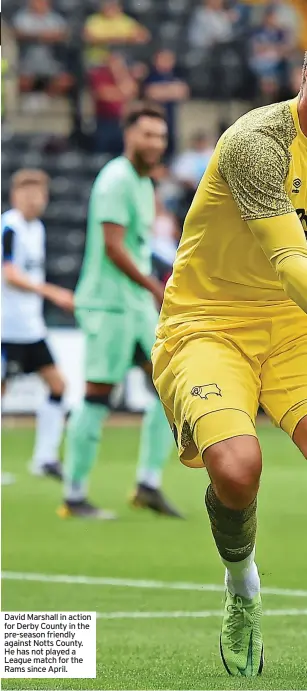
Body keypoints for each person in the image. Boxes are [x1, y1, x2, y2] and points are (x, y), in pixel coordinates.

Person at [152, 53, 307, 676]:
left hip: (295, 329)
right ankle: (242, 585)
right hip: (211, 323)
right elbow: (289, 260)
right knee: (238, 468)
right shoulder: (257, 142)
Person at [59, 102, 182, 520]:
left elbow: (139, 247)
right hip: (108, 304)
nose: (155, 142)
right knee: (97, 397)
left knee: (169, 389)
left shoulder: (145, 185)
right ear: (129, 135)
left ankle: (148, 484)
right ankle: (74, 496)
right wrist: (154, 287)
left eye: (160, 136)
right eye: (147, 134)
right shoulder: (115, 178)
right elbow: (113, 247)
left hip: (133, 304)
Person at [2, 169, 74, 481]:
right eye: (27, 194)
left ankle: (44, 458)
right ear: (15, 196)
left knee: (58, 386)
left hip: (31, 328)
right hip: (6, 329)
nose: (34, 200)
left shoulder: (38, 229)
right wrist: (52, 292)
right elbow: (11, 274)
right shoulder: (10, 228)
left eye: (39, 194)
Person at [12, 0, 73, 98]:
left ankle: (50, 103)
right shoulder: (22, 17)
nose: (39, 4)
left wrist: (49, 37)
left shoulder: (55, 18)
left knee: (65, 81)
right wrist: (40, 37)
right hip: (27, 62)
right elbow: (18, 33)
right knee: (21, 81)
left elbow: (63, 34)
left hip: (52, 62)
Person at [88, 53, 137, 155]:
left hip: (122, 121)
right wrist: (121, 92)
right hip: (104, 120)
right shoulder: (99, 76)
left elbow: (132, 90)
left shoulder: (125, 75)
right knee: (102, 152)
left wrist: (120, 75)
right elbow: (103, 94)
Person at [144, 50, 189, 158]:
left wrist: (163, 91)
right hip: (154, 120)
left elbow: (183, 91)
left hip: (171, 122)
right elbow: (151, 92)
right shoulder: (151, 76)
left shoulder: (174, 75)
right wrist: (171, 90)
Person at [84, 0, 150, 68]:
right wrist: (111, 41)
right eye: (108, 5)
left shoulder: (126, 20)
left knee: (140, 69)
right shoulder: (94, 20)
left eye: (113, 5)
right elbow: (87, 38)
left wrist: (127, 40)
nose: (111, 8)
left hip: (125, 56)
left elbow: (143, 37)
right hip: (99, 57)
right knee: (115, 62)